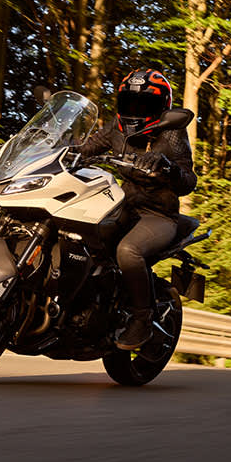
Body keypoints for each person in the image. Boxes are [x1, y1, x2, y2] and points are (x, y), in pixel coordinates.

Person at [78, 68, 197, 350]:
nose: (135, 110)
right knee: (79, 234)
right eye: (129, 102)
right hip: (122, 206)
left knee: (127, 251)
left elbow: (188, 181)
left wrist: (167, 168)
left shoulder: (172, 134)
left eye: (145, 104)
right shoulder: (116, 127)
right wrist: (65, 150)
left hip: (158, 216)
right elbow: (90, 147)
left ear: (163, 107)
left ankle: (142, 320)